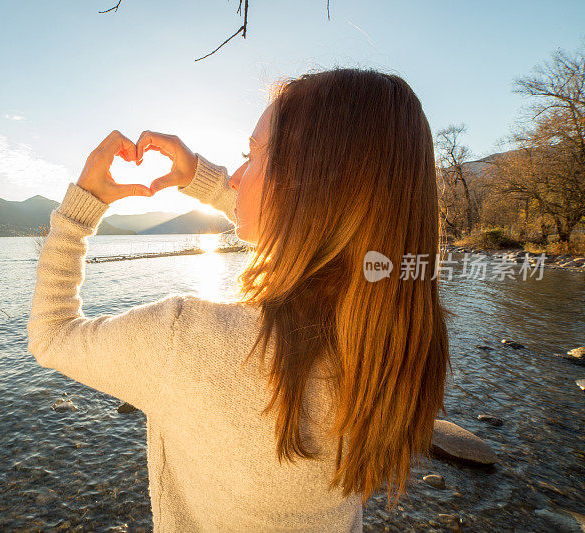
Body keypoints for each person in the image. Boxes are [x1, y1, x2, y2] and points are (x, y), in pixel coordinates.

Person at [27, 67, 451, 531]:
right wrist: (201, 178)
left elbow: (50, 334)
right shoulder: (394, 335)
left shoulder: (185, 340)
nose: (235, 179)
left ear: (308, 186)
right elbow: (315, 232)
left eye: (252, 156)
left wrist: (79, 208)